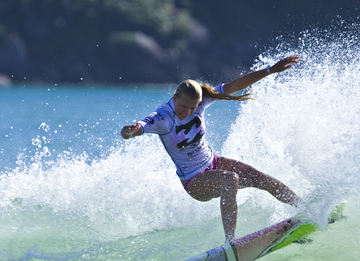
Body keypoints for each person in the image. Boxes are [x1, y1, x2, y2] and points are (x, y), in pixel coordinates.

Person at [121, 56, 302, 242]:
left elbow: (232, 87)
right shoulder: (162, 117)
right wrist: (129, 132)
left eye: (192, 108)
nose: (187, 112)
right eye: (184, 106)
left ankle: (305, 209)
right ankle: (230, 243)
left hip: (213, 162)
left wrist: (270, 70)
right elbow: (136, 128)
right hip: (194, 181)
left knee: (260, 178)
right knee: (231, 179)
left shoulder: (200, 102)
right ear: (175, 97)